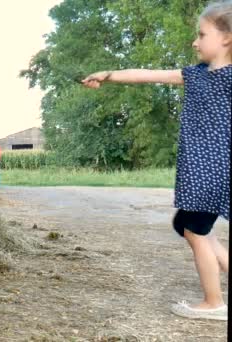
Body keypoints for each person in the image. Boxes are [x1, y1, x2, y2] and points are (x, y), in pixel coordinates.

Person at [82, 1, 231, 321]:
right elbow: (146, 74)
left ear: (226, 39)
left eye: (201, 34)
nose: (195, 41)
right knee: (188, 225)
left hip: (213, 171)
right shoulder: (195, 74)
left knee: (195, 231)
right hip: (203, 171)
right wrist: (108, 74)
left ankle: (214, 303)